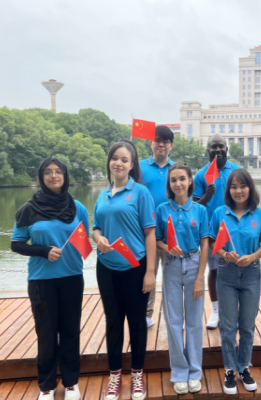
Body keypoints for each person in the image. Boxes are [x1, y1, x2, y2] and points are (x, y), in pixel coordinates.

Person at [11, 157, 88, 400]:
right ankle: (46, 385)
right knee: (46, 333)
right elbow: (16, 244)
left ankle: (71, 382)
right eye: (48, 172)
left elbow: (84, 239)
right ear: (41, 176)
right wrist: (43, 251)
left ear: (65, 176)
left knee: (70, 331)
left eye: (58, 172)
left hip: (72, 277)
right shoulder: (29, 209)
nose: (53, 176)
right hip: (41, 280)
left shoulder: (77, 207)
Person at [92, 140, 157, 400]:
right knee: (113, 321)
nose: (118, 163)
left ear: (132, 165)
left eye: (124, 159)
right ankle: (115, 376)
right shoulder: (103, 194)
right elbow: (96, 227)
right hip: (106, 267)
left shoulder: (141, 193)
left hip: (135, 267)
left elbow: (150, 233)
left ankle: (138, 375)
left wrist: (150, 272)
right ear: (109, 162)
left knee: (137, 322)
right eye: (114, 158)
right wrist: (98, 238)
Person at [209, 169, 261, 395]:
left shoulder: (260, 215)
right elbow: (212, 242)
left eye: (243, 186)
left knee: (246, 325)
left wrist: (253, 257)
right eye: (234, 187)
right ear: (229, 190)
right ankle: (229, 369)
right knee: (228, 326)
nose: (238, 191)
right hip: (226, 273)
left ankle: (243, 366)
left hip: (251, 274)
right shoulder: (220, 213)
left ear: (250, 189)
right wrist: (225, 254)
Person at [156, 162, 209, 395]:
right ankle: (179, 371)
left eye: (182, 179)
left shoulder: (200, 210)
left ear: (190, 181)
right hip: (171, 265)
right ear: (169, 184)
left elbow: (205, 244)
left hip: (194, 263)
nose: (178, 183)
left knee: (195, 321)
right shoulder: (162, 209)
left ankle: (195, 371)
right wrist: (167, 248)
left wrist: (200, 278)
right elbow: (157, 239)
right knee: (174, 320)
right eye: (173, 180)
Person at [193, 134, 241, 330]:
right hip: (211, 232)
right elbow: (194, 207)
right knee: (214, 271)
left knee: (236, 270)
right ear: (208, 150)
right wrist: (206, 196)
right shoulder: (201, 175)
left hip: (235, 228)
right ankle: (215, 310)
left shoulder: (237, 171)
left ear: (226, 149)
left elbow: (246, 199)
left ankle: (233, 310)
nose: (218, 150)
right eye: (214, 147)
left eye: (221, 146)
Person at [140, 125, 176, 328]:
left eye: (165, 141)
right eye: (157, 140)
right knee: (149, 274)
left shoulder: (176, 169)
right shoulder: (138, 168)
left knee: (173, 275)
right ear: (150, 143)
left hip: (171, 232)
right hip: (146, 232)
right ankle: (147, 313)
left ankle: (174, 314)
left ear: (171, 145)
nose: (161, 144)